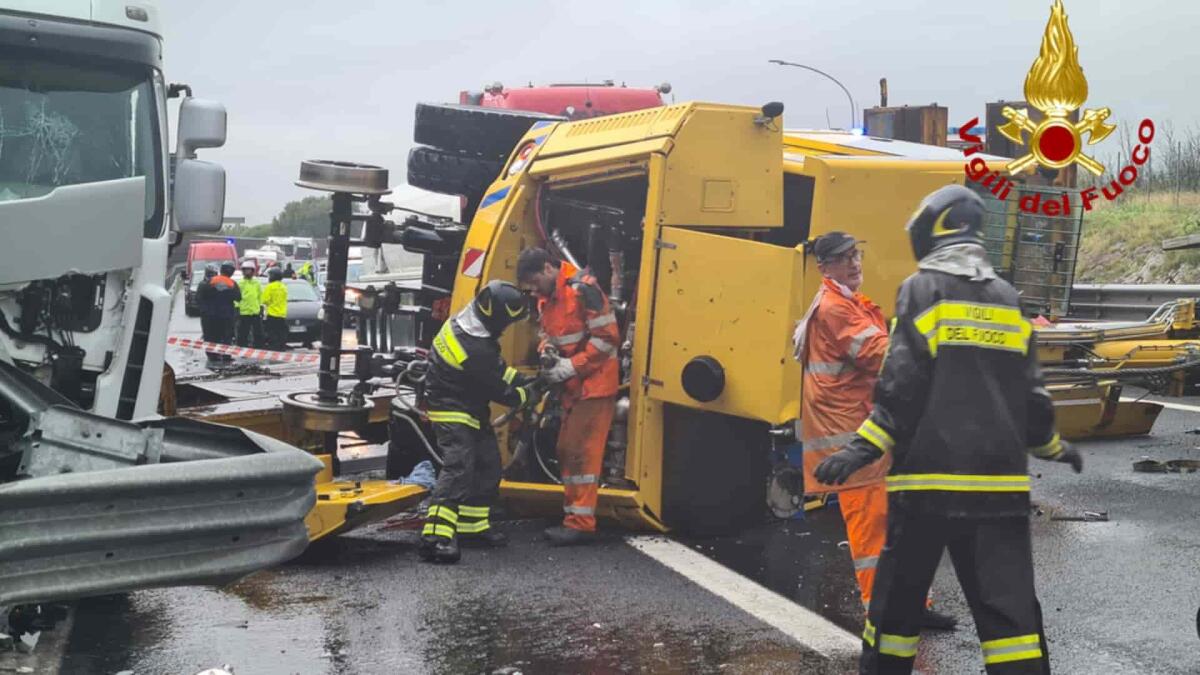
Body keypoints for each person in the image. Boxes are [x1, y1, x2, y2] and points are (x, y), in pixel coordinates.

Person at [813, 185, 1083, 674]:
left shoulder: (922, 290)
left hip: (929, 486)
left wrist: (861, 449)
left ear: (932, 231)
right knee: (1013, 620)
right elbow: (1032, 396)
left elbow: (901, 388)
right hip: (1000, 488)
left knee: (896, 609)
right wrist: (1052, 446)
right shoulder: (1007, 298)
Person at [792, 232, 956, 631]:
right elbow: (879, 354)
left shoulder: (849, 302)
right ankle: (884, 614)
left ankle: (912, 606)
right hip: (853, 438)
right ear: (823, 267)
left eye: (855, 255)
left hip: (869, 432)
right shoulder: (835, 309)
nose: (853, 263)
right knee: (873, 535)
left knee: (899, 525)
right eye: (843, 258)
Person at [419, 280, 541, 563]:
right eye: (507, 322)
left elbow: (496, 372)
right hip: (451, 409)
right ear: (496, 317)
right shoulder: (474, 346)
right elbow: (501, 392)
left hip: (467, 403)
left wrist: (525, 380)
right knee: (458, 469)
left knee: (488, 465)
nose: (507, 328)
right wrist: (529, 394)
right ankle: (434, 538)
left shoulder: (472, 323)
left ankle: (471, 528)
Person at [516, 247, 620, 546]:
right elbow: (549, 334)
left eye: (535, 283)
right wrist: (547, 351)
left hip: (594, 386)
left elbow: (608, 339)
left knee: (579, 453)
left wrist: (572, 366)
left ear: (548, 269)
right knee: (569, 450)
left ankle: (580, 523)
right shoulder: (547, 296)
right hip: (575, 387)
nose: (533, 291)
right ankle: (576, 518)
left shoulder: (583, 290)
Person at [236, 259, 263, 347]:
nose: (248, 272)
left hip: (255, 312)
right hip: (244, 312)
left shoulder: (256, 283)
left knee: (258, 333)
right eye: (246, 270)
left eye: (249, 270)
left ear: (253, 271)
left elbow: (260, 296)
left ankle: (258, 347)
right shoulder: (240, 283)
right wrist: (237, 308)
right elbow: (236, 297)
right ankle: (242, 347)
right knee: (242, 333)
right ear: (243, 271)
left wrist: (261, 307)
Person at [261, 267, 289, 351]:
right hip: (282, 314)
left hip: (272, 314)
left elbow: (265, 300)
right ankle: (281, 348)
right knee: (281, 334)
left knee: (272, 334)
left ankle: (274, 349)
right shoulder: (283, 287)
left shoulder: (270, 287)